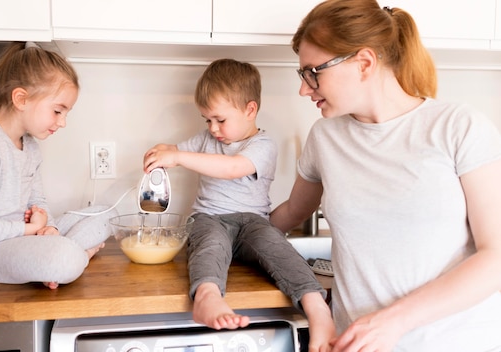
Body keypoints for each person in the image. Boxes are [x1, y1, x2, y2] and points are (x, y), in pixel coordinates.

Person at [269, 1, 501, 351]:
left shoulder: (458, 126)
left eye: (313, 72)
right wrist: (224, 233)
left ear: (364, 63)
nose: (304, 88)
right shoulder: (325, 137)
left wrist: (394, 321)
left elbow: (495, 257)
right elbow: (288, 215)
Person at [143, 58, 336, 350]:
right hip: (209, 217)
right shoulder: (206, 138)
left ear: (250, 110)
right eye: (207, 120)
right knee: (210, 246)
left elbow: (234, 167)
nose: (213, 128)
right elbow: (177, 150)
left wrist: (179, 157)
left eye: (220, 119)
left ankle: (316, 306)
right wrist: (164, 151)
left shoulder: (263, 145)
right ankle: (208, 296)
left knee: (277, 249)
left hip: (252, 221)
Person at [0, 42, 117, 290]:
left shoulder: (29, 145)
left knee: (107, 214)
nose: (63, 122)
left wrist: (50, 228)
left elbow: (38, 201)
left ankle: (58, 258)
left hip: (27, 235)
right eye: (57, 111)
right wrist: (29, 229)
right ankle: (74, 258)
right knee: (64, 257)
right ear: (21, 99)